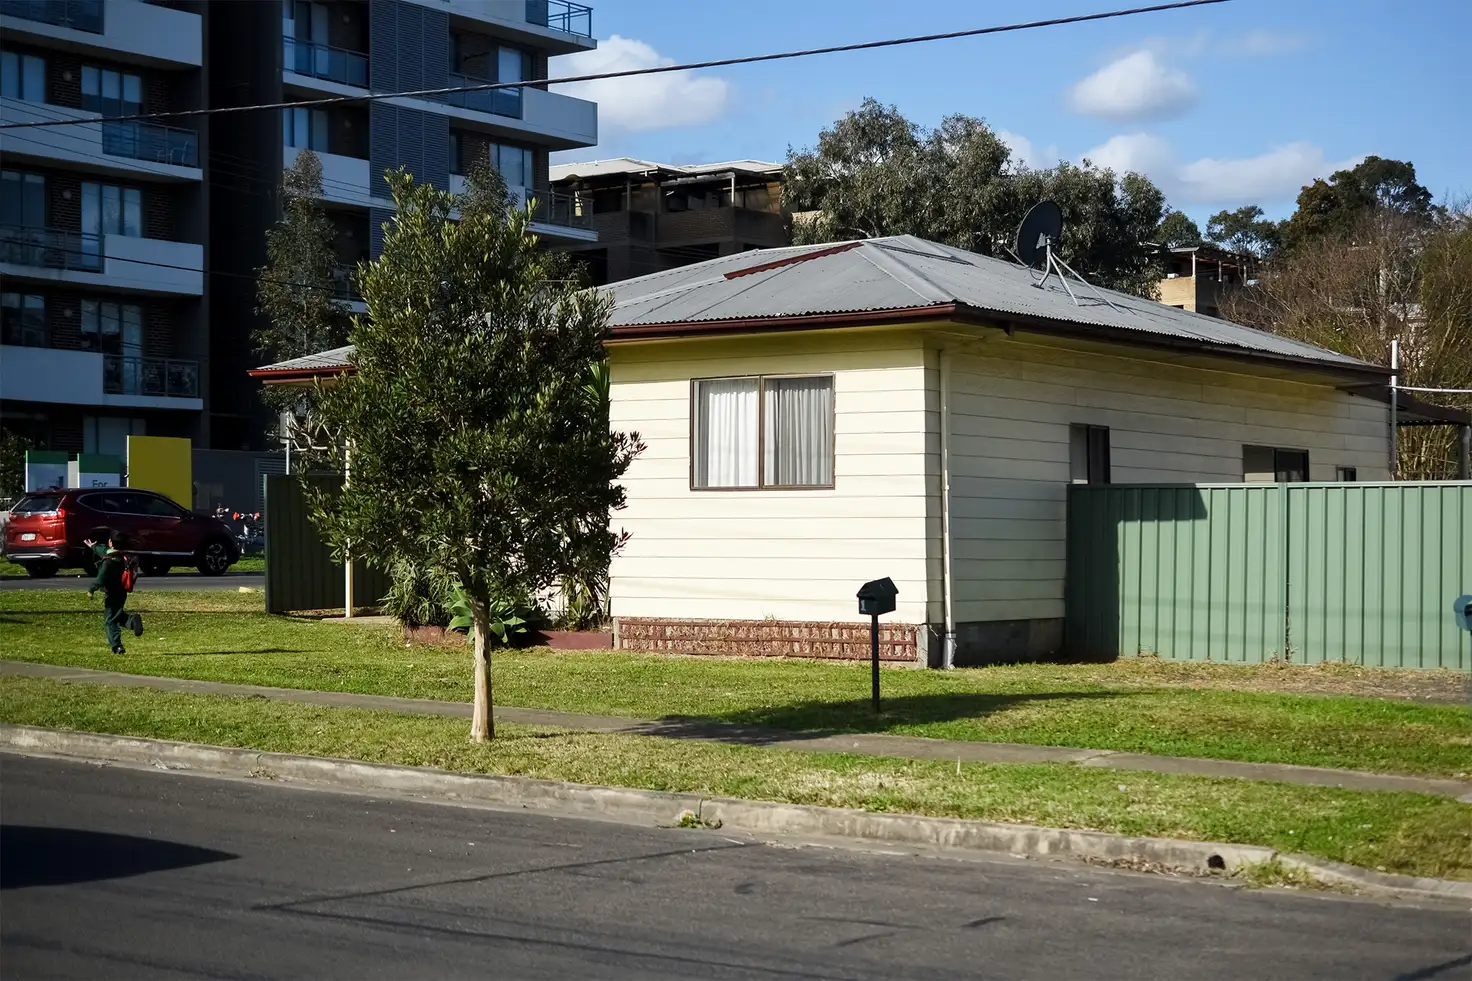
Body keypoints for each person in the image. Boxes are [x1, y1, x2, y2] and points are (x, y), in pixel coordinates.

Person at [85, 531, 143, 655]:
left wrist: (92, 589)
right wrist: (93, 547)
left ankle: (117, 646)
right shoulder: (121, 556)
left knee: (110, 621)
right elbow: (103, 551)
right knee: (117, 614)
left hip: (112, 593)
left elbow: (101, 578)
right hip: (122, 592)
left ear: (111, 543)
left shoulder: (109, 561)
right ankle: (132, 621)